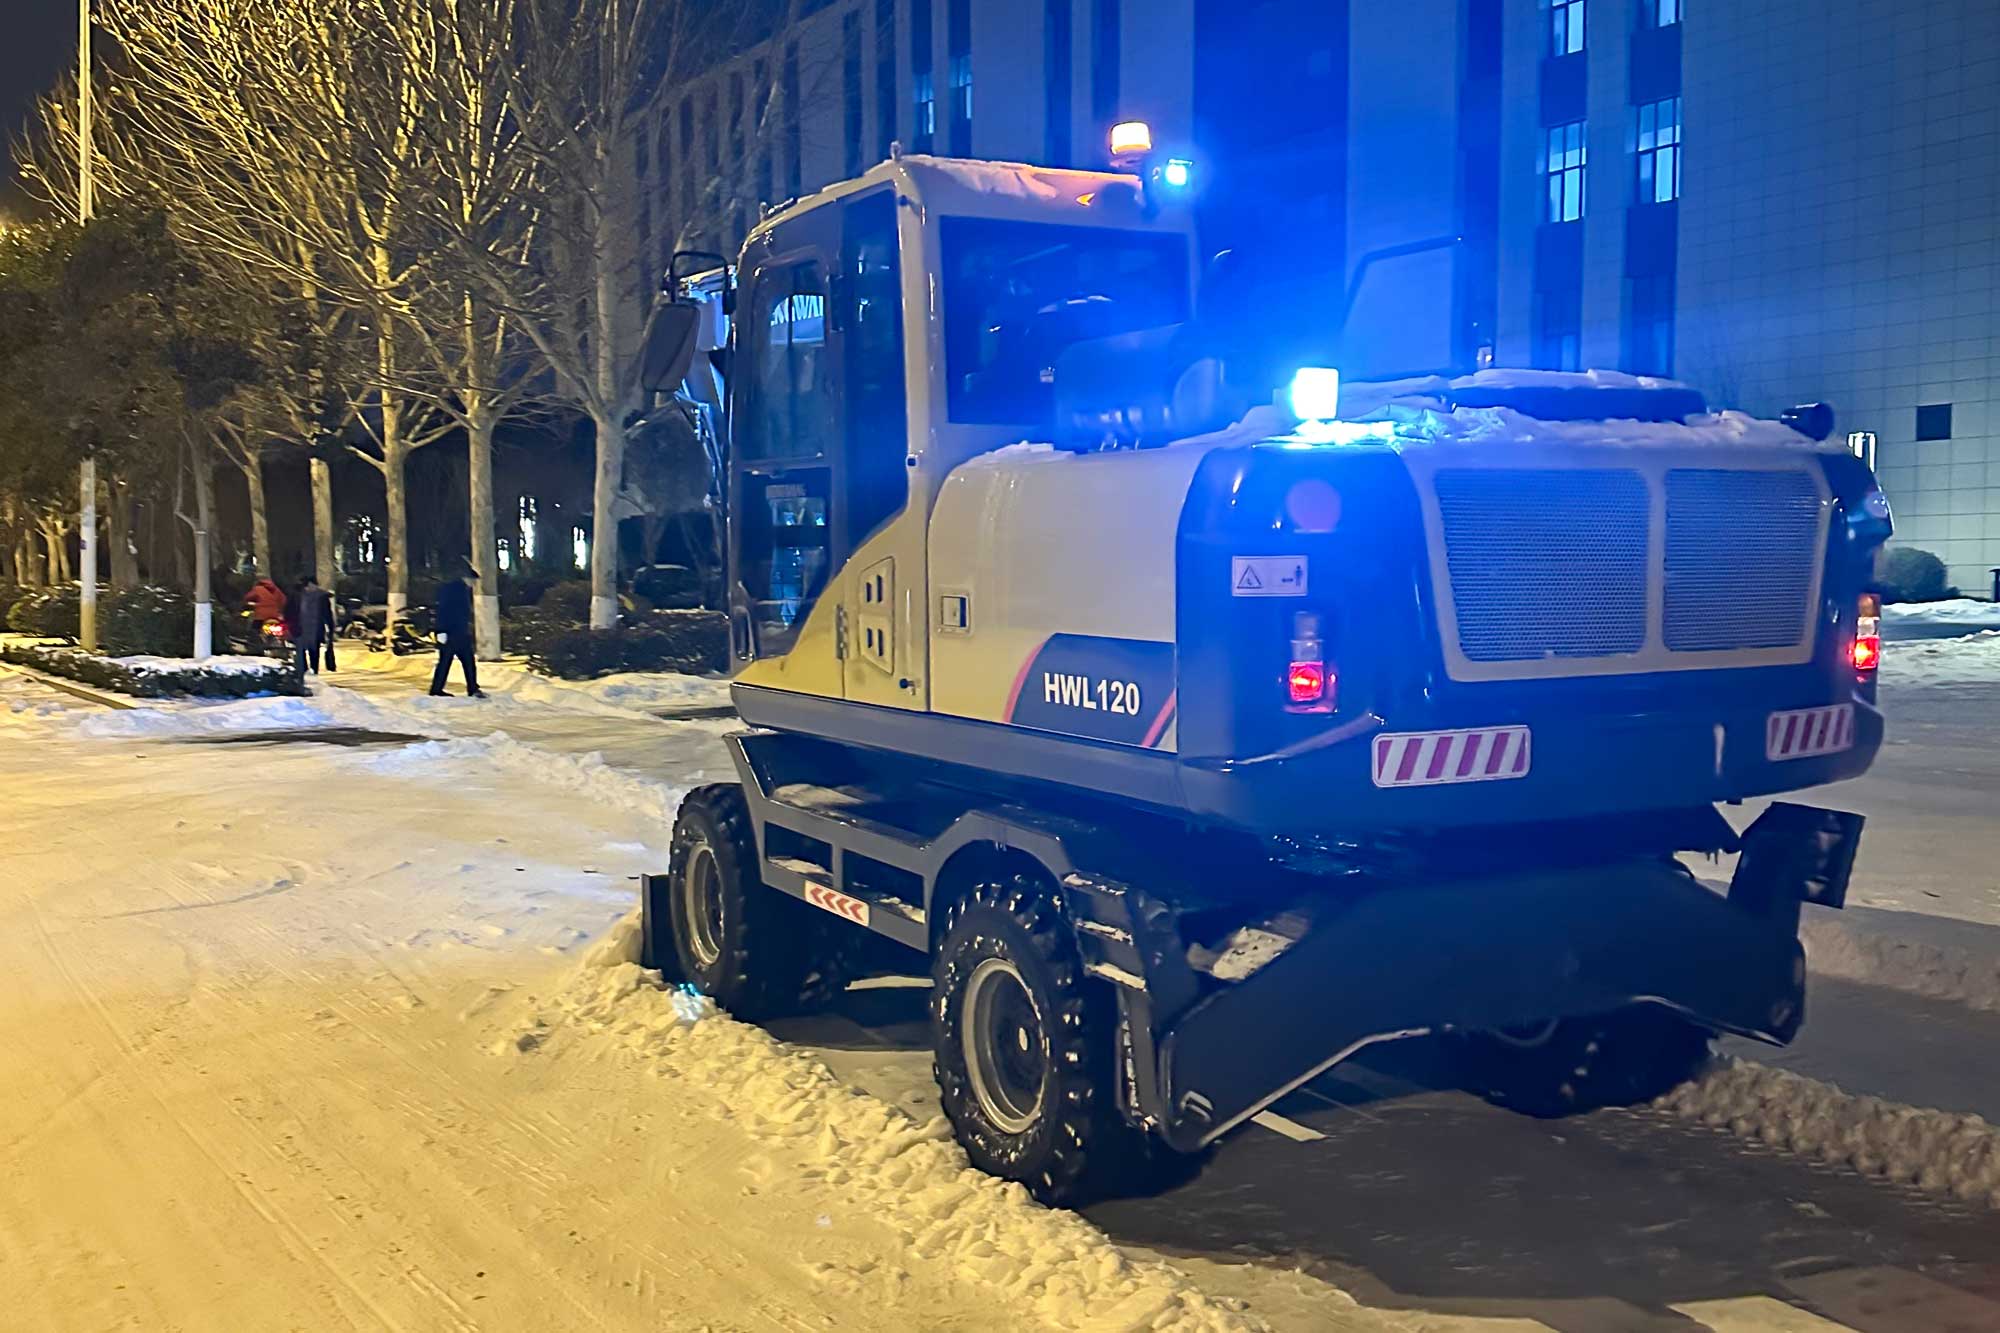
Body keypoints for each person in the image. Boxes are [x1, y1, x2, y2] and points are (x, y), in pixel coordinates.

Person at [430, 560, 485, 698]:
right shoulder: (451, 590)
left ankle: (472, 688)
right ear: (466, 578)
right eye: (473, 581)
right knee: (446, 662)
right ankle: (437, 690)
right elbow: (443, 611)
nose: (474, 584)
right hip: (449, 633)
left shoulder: (463, 590)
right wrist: (441, 631)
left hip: (460, 633)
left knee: (467, 661)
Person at [293, 574, 337, 676]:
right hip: (304, 628)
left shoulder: (320, 597)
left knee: (313, 651)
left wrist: (330, 628)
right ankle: (305, 672)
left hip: (314, 628)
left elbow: (327, 614)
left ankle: (313, 672)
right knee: (304, 651)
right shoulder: (299, 596)